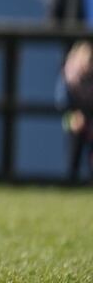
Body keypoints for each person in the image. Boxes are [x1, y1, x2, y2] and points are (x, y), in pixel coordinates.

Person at [55, 40, 93, 183]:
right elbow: (61, 103)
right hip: (71, 118)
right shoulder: (69, 76)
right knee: (75, 139)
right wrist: (75, 117)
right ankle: (71, 179)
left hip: (90, 119)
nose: (87, 64)